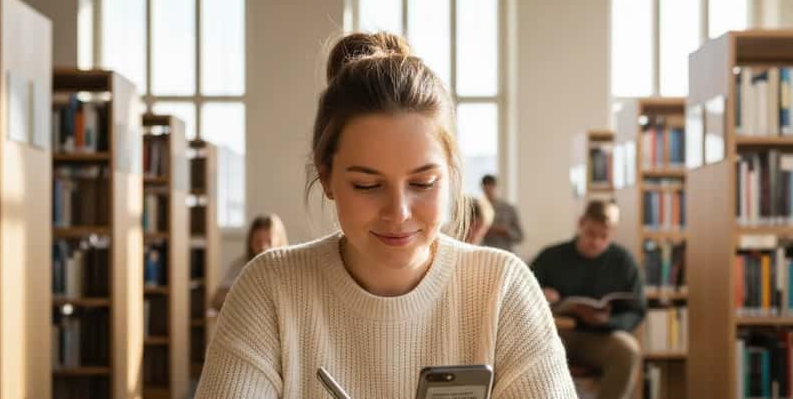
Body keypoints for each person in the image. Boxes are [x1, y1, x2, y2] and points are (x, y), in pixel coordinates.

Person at [195, 32, 575, 398]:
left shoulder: (502, 289)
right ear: (327, 178)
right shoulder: (269, 290)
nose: (399, 212)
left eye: (423, 183)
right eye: (366, 185)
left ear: (451, 175)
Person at [531, 200, 646, 399]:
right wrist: (541, 293)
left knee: (627, 350)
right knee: (532, 349)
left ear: (613, 232)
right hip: (556, 334)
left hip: (600, 338)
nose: (596, 242)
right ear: (581, 223)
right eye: (591, 234)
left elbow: (637, 310)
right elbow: (520, 295)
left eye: (604, 236)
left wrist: (609, 323)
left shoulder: (624, 262)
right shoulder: (551, 257)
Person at [210, 214, 288, 311]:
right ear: (250, 242)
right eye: (258, 242)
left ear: (279, 241)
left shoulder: (288, 268)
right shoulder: (240, 265)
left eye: (269, 242)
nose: (263, 247)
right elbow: (216, 300)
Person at [480, 174, 524, 252]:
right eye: (486, 188)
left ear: (496, 187)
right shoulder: (476, 209)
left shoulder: (508, 209)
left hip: (505, 252)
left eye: (491, 187)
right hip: (484, 252)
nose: (489, 191)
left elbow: (520, 237)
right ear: (482, 188)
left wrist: (505, 231)